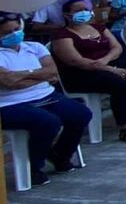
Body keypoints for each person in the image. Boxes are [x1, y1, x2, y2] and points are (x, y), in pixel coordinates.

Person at [51, 0, 126, 140]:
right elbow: (76, 60)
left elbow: (116, 47)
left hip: (108, 63)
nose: (84, 12)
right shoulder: (62, 36)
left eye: (86, 9)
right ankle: (125, 128)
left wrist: (106, 61)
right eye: (78, 10)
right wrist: (108, 68)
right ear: (67, 15)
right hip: (81, 73)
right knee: (120, 85)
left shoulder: (99, 28)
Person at [0, 13, 93, 186]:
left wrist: (23, 76)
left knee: (81, 114)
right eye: (6, 33)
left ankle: (60, 156)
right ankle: (34, 168)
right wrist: (38, 75)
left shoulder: (34, 47)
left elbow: (52, 72)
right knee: (48, 122)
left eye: (16, 29)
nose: (14, 34)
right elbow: (9, 83)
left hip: (45, 95)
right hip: (9, 104)